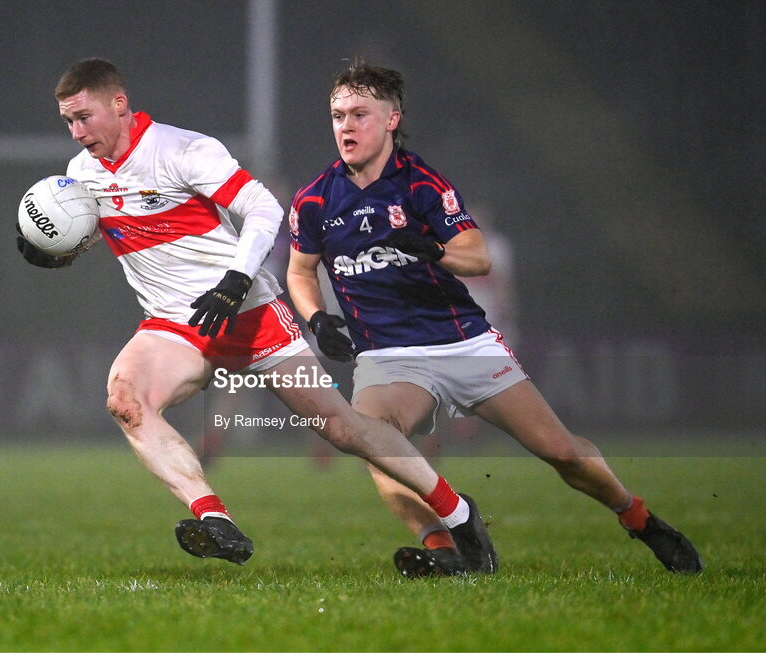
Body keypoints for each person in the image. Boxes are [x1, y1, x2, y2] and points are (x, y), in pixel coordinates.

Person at [15, 58, 495, 575]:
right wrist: (54, 250)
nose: (77, 132)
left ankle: (460, 515)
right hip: (177, 326)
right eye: (68, 122)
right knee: (126, 400)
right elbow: (85, 232)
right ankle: (213, 517)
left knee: (343, 429)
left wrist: (236, 279)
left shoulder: (183, 151)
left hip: (249, 313)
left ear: (119, 104)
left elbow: (265, 209)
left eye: (84, 117)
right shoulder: (81, 175)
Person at [286, 60, 703, 575]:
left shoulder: (421, 185)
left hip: (462, 343)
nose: (345, 126)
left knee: (564, 455)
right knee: (378, 446)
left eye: (359, 114)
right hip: (387, 358)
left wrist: (431, 249)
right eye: (337, 115)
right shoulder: (314, 199)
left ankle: (640, 519)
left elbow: (476, 256)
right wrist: (317, 317)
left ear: (392, 119)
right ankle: (448, 552)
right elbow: (301, 270)